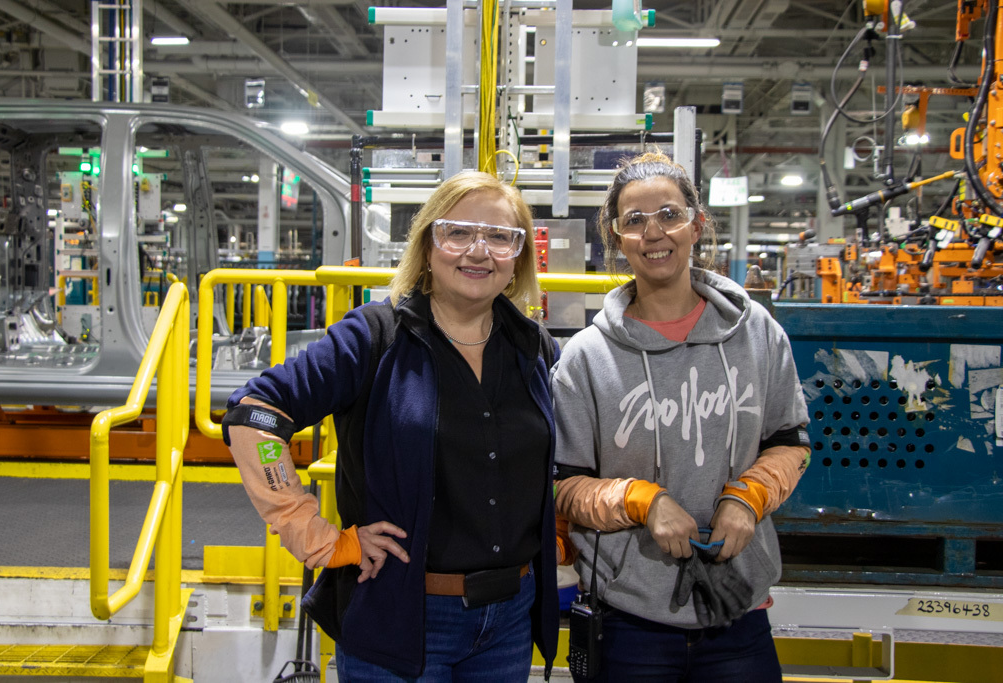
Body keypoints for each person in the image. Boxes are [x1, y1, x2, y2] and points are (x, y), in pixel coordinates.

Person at [223, 170, 559, 681]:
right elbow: (254, 415)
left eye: (498, 236)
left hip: (509, 618)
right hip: (403, 616)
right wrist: (314, 534)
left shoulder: (533, 348)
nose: (478, 250)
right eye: (458, 232)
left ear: (517, 257)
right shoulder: (372, 337)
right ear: (428, 246)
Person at [552, 152, 810, 682]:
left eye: (669, 214)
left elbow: (790, 440)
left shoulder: (756, 333)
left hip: (736, 610)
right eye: (634, 221)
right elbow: (563, 487)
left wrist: (749, 497)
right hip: (627, 621)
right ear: (616, 238)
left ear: (698, 223)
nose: (654, 233)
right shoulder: (586, 358)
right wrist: (640, 499)